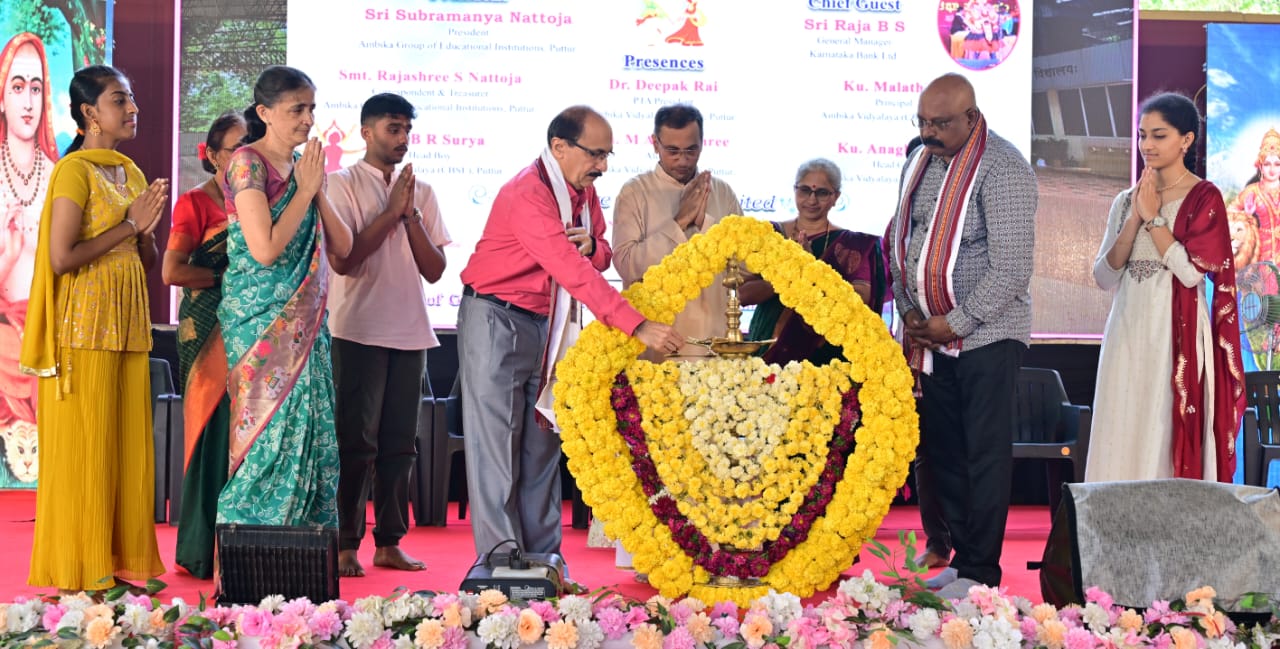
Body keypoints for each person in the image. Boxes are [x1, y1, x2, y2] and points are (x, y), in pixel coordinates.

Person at [457, 105, 684, 558]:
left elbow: (598, 254)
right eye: (595, 154)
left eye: (607, 155)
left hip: (549, 325)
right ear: (558, 147)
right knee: (496, 451)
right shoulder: (529, 192)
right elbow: (570, 269)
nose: (602, 166)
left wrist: (594, 245)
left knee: (541, 446)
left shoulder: (580, 190)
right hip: (496, 319)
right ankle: (501, 561)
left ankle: (544, 560)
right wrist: (636, 324)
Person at [887, 73, 1036, 595]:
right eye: (922, 122)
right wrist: (910, 310)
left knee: (983, 455)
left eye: (940, 123)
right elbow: (900, 242)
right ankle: (960, 560)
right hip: (930, 340)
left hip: (987, 335)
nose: (928, 132)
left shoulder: (1004, 167)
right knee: (945, 452)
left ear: (971, 118)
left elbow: (1011, 267)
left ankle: (981, 571)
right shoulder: (919, 162)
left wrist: (954, 322)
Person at [21, 64, 168, 591]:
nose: (133, 108)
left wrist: (144, 233)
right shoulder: (74, 172)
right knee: (87, 452)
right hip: (83, 331)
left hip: (127, 329)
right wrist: (130, 224)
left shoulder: (129, 172)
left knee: (126, 453)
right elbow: (61, 257)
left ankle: (119, 565)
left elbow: (143, 259)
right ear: (89, 113)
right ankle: (80, 571)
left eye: (131, 99)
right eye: (119, 100)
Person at [216, 66, 353, 534]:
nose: (308, 119)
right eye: (297, 109)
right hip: (261, 322)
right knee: (269, 438)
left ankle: (300, 555)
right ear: (265, 112)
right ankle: (248, 553)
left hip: (308, 323)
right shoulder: (247, 163)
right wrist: (306, 189)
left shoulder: (303, 167)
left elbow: (344, 248)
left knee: (310, 432)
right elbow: (265, 249)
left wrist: (315, 189)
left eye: (311, 108)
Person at [1087, 92, 1245, 483]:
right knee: (1121, 423)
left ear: (1186, 140)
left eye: (1159, 135)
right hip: (1126, 330)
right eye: (1142, 135)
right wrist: (1135, 218)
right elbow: (1104, 277)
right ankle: (1117, 517)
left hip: (1175, 336)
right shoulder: (1125, 201)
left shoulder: (1204, 198)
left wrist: (1155, 219)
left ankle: (1167, 517)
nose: (1147, 145)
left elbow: (1191, 274)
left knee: (1162, 428)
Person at [327, 93, 450, 577]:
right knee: (354, 443)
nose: (402, 139)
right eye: (392, 129)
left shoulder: (422, 191)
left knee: (401, 444)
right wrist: (390, 210)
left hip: (410, 332)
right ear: (366, 132)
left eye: (406, 130)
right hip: (356, 329)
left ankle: (389, 543)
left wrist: (409, 214)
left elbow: (435, 270)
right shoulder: (341, 184)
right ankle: (344, 543)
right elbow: (345, 259)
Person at [165, 111, 246, 579]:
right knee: (212, 430)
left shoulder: (261, 201)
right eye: (235, 149)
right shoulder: (195, 202)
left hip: (251, 327)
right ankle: (201, 550)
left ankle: (241, 548)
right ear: (213, 155)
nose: (245, 158)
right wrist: (229, 280)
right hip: (207, 327)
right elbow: (172, 271)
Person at [613, 103, 740, 361]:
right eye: (672, 150)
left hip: (713, 341)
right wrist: (679, 222)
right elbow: (626, 265)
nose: (682, 160)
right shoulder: (635, 192)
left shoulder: (722, 192)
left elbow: (743, 268)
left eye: (691, 150)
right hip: (658, 344)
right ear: (655, 144)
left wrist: (704, 221)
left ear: (702, 144)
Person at [742, 158, 886, 366]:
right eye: (805, 190)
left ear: (836, 197)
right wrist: (793, 273)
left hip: (821, 353)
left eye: (822, 193)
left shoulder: (851, 244)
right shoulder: (769, 235)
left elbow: (860, 298)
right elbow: (742, 295)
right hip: (768, 343)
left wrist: (812, 270)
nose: (812, 199)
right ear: (795, 190)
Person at [0, 33, 58, 446]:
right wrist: (9, 257)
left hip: (49, 325)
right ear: (2, 98)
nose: (27, 101)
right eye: (17, 87)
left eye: (35, 88)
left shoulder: (59, 175)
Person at [1228, 128, 1280, 264]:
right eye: (1267, 164)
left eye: (1277, 164)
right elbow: (1230, 211)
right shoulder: (1252, 191)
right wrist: (1246, 214)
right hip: (1261, 252)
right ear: (1260, 167)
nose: (1272, 169)